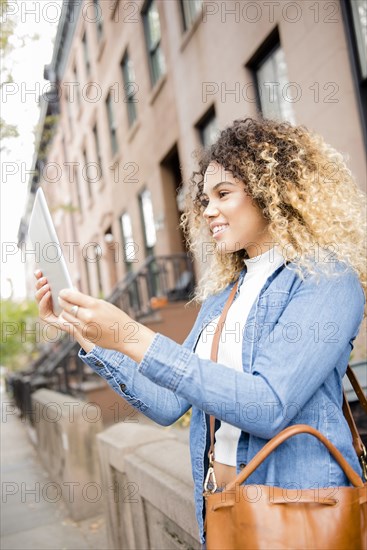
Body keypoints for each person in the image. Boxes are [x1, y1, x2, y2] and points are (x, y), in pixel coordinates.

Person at [34, 117, 366, 546]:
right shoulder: (223, 297)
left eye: (223, 194)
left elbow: (267, 404)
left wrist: (134, 334)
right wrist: (90, 335)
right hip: (224, 511)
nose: (207, 210)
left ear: (272, 191)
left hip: (302, 512)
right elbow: (169, 402)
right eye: (204, 198)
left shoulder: (326, 279)